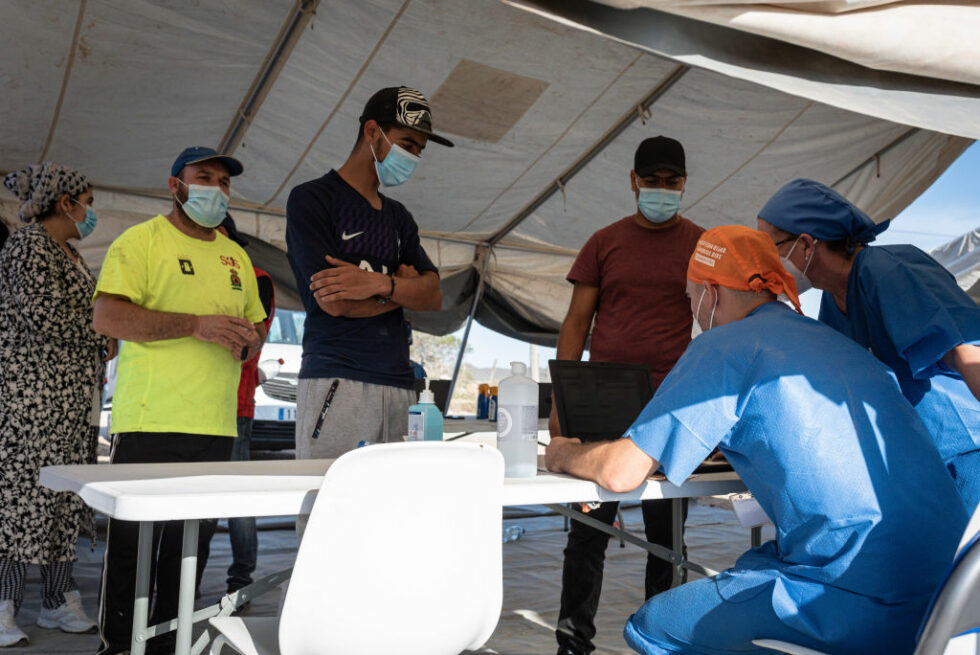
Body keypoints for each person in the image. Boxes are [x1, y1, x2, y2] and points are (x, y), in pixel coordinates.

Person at [545, 225, 967, 655]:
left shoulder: (724, 345)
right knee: (755, 565)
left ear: (711, 294)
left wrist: (561, 451)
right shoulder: (836, 340)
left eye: (690, 299)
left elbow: (620, 472)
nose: (691, 311)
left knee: (653, 624)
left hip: (860, 598)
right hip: (950, 593)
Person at [91, 147, 267, 655]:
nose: (217, 189)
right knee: (132, 549)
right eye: (204, 178)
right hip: (151, 422)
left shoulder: (236, 255)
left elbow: (255, 325)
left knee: (190, 552)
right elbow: (108, 319)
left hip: (216, 426)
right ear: (176, 185)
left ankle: (168, 644)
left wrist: (249, 339)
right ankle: (119, 645)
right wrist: (195, 325)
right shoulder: (141, 242)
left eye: (224, 182)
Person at [551, 135, 703, 655]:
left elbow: (719, 318)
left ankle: (660, 641)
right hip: (600, 409)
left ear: (684, 183)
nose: (662, 190)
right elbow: (576, 322)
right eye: (652, 181)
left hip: (670, 409)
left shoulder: (703, 246)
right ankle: (573, 644)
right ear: (633, 181)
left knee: (667, 537)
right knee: (588, 531)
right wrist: (560, 404)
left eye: (672, 181)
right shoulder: (603, 242)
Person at [756, 179, 980, 513]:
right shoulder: (834, 301)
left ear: (805, 244)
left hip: (965, 452)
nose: (767, 263)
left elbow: (967, 354)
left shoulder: (891, 269)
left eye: (771, 248)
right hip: (920, 461)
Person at [285, 86, 447, 533]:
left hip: (399, 388)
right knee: (330, 523)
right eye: (408, 144)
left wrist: (376, 284)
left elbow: (434, 295)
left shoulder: (399, 218)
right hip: (338, 381)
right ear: (372, 131)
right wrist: (402, 291)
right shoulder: (312, 199)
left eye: (420, 150)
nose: (414, 157)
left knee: (394, 523)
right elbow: (335, 302)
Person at [0, 163, 113, 646]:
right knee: (19, 504)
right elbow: (47, 318)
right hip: (31, 403)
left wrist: (101, 335)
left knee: (63, 503)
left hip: (68, 403)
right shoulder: (28, 246)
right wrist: (105, 330)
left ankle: (56, 601)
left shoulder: (69, 252)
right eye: (86, 200)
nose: (91, 211)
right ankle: (3, 606)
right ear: (65, 202)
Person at [217, 213, 276, 598]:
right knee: (193, 498)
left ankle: (240, 581)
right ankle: (178, 583)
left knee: (236, 496)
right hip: (190, 405)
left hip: (235, 404)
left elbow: (251, 338)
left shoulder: (255, 279)